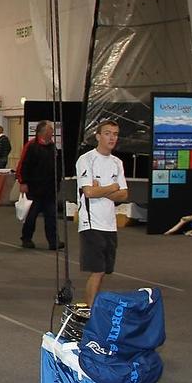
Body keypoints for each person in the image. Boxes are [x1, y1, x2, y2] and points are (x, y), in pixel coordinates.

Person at [77, 120, 128, 306]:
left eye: (115, 133)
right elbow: (89, 192)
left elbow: (123, 194)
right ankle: (90, 313)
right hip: (91, 223)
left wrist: (104, 190)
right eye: (107, 133)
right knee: (97, 270)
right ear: (98, 136)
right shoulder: (86, 160)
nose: (112, 137)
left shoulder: (117, 163)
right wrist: (112, 187)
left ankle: (93, 309)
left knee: (104, 271)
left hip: (109, 223)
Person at [16, 120, 62, 250]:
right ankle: (26, 238)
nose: (53, 132)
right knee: (31, 216)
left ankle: (54, 242)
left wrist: (58, 180)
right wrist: (22, 182)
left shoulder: (53, 147)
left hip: (50, 189)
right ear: (42, 132)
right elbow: (22, 165)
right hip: (34, 189)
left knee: (51, 217)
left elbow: (57, 166)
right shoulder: (31, 146)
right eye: (50, 130)